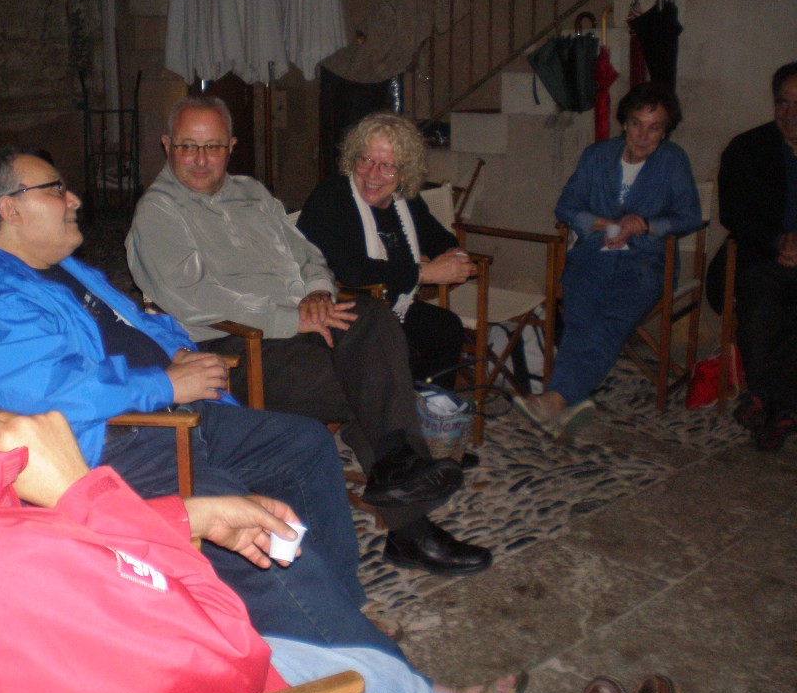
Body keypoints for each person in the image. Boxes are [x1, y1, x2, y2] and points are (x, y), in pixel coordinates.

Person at [0, 255, 534, 693]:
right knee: (360, 678)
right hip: (161, 691)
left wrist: (187, 515)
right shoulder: (4, 574)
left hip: (7, 674)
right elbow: (227, 656)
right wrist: (81, 490)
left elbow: (13, 556)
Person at [0, 147, 397, 656]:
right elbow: (49, 396)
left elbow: (139, 323)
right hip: (116, 445)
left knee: (305, 445)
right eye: (56, 189)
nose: (74, 199)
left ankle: (337, 609)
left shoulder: (62, 268)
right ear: (10, 208)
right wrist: (165, 383)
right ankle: (364, 664)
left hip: (172, 414)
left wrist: (176, 352)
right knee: (251, 527)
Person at [127, 95, 492, 577]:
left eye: (212, 146)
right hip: (232, 350)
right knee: (371, 381)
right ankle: (408, 511)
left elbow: (308, 255)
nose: (199, 159)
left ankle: (397, 466)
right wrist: (290, 318)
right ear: (166, 144)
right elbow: (195, 299)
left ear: (231, 146)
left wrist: (318, 291)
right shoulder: (159, 212)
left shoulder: (252, 193)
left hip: (299, 325)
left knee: (370, 317)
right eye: (187, 146)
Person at [514, 82, 701, 437]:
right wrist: (603, 223)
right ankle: (569, 402)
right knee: (580, 317)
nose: (643, 136)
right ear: (625, 123)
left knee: (609, 320)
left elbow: (690, 216)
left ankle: (556, 398)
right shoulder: (597, 156)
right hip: (592, 255)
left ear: (665, 131)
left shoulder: (672, 160)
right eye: (636, 124)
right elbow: (566, 207)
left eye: (654, 128)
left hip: (645, 263)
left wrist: (646, 224)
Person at [298, 112, 475, 384]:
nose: (372, 174)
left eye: (387, 166)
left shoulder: (405, 200)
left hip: (393, 304)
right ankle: (401, 406)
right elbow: (353, 272)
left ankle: (429, 404)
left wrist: (455, 256)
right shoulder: (332, 197)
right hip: (340, 309)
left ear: (404, 171)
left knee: (447, 328)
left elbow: (440, 239)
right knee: (398, 345)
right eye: (365, 160)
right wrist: (424, 273)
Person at [708, 61, 797, 451]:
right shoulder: (748, 148)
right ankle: (775, 405)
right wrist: (779, 243)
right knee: (761, 293)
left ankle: (771, 404)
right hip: (761, 255)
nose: (790, 114)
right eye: (782, 103)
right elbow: (735, 214)